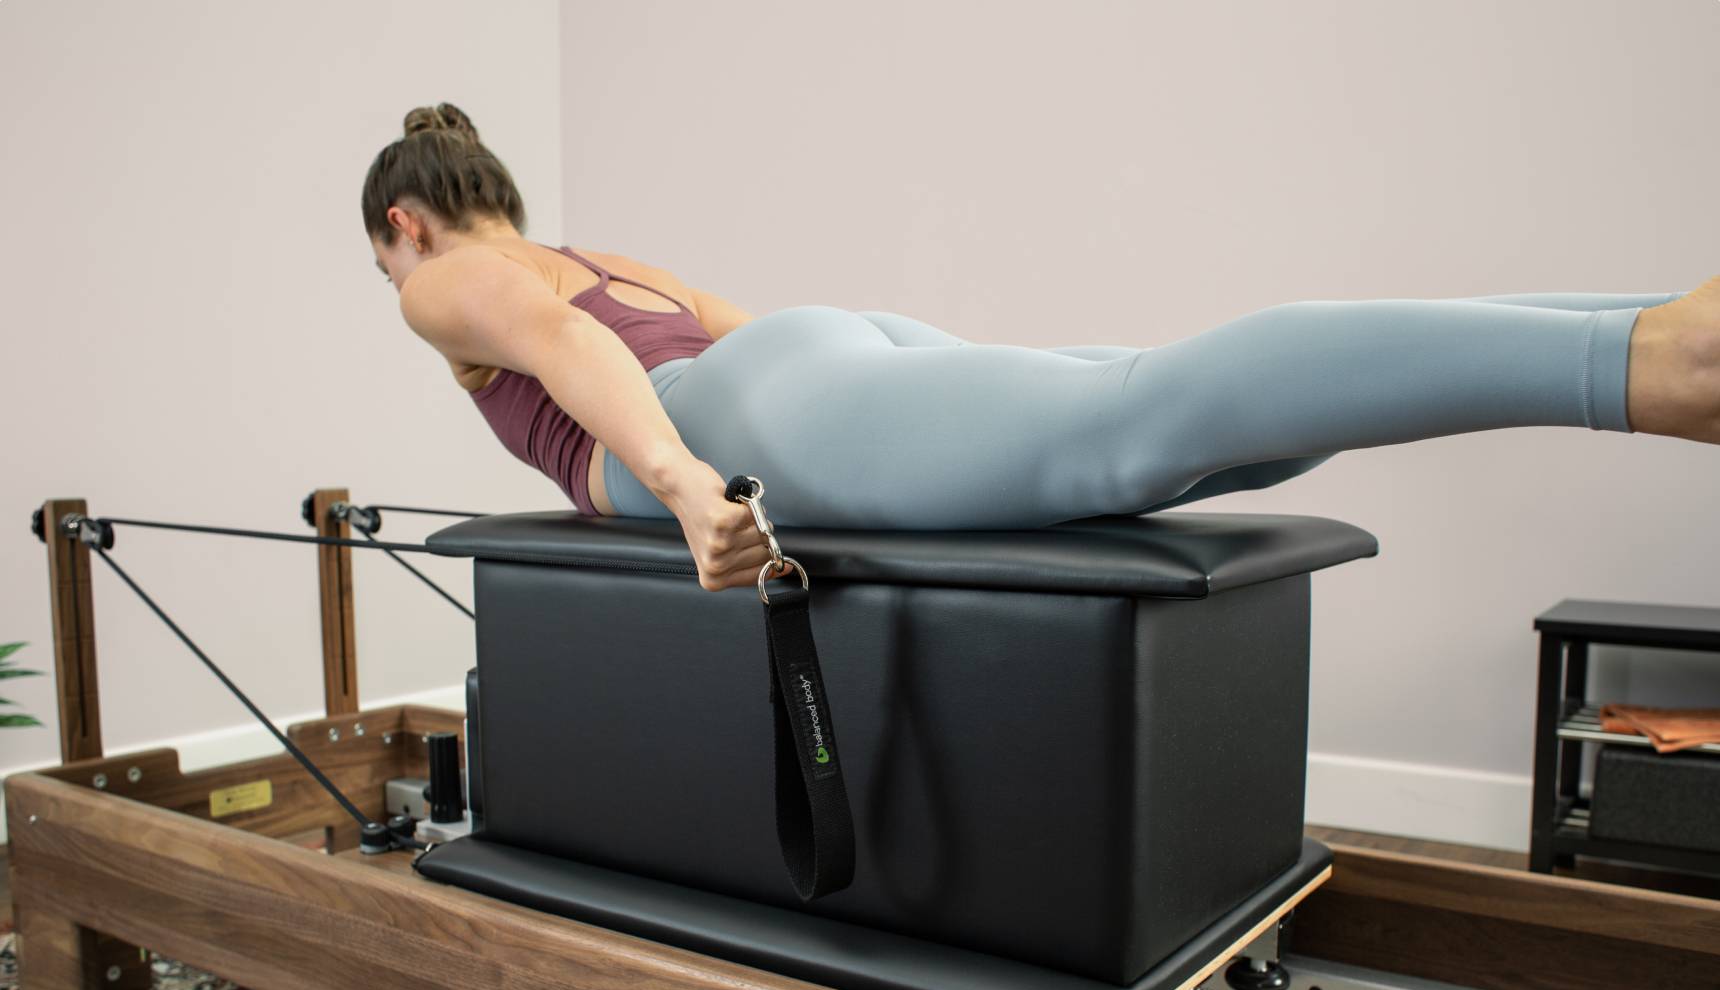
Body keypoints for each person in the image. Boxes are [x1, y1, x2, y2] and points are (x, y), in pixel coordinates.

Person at [364, 103, 1717, 594]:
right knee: (1180, 439)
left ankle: (1660, 360)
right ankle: (1639, 328)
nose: (397, 278)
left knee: (1153, 417)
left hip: (745, 415)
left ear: (406, 220)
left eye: (387, 254)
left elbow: (557, 349)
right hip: (818, 359)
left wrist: (681, 484)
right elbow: (751, 330)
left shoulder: (451, 279)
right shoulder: (613, 258)